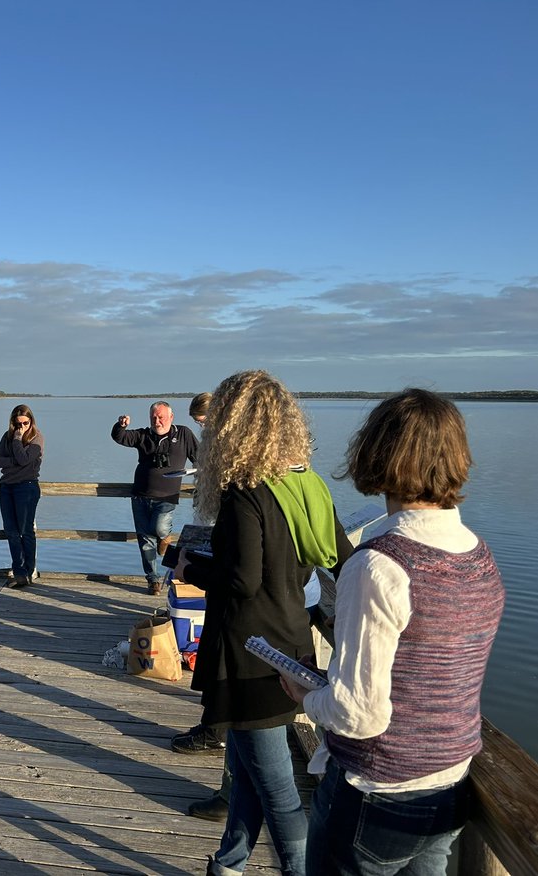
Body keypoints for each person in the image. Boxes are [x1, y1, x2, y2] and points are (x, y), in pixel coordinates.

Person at [282, 389, 504, 876]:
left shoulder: (380, 564)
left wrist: (305, 694)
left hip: (377, 794)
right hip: (450, 783)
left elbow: (359, 715)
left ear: (377, 454)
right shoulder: (479, 555)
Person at [175, 370, 352, 876]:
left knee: (278, 792)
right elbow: (345, 559)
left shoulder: (245, 492)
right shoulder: (308, 485)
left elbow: (242, 580)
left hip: (248, 655)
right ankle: (227, 864)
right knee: (249, 773)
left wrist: (193, 568)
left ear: (231, 426)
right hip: (292, 646)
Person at [111, 401, 199, 596]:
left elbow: (199, 457)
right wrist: (121, 425)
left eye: (161, 417)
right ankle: (153, 580)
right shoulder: (143, 435)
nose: (157, 421)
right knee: (145, 541)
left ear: (171, 417)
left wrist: (201, 477)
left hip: (167, 496)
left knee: (159, 527)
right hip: (140, 496)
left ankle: (165, 536)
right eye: (154, 418)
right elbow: (120, 437)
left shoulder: (183, 434)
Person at [0, 404, 44, 588]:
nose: (22, 427)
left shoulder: (37, 438)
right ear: (13, 422)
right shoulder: (6, 437)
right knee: (12, 532)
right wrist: (15, 461)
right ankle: (19, 573)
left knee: (26, 531)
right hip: (7, 488)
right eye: (18, 423)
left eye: (26, 423)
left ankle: (28, 573)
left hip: (27, 488)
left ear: (31, 421)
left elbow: (25, 460)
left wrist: (17, 440)